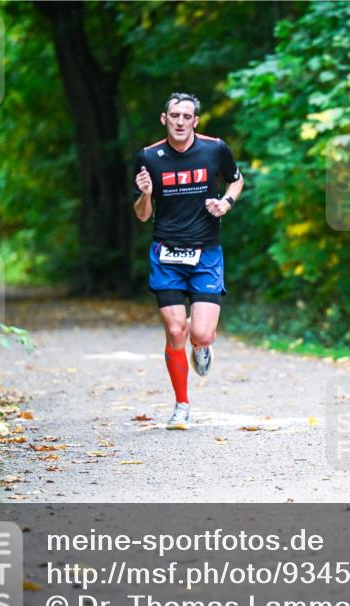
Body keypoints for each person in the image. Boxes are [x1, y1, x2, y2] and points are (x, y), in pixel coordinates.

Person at [133, 92, 244, 429]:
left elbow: (236, 180)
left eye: (187, 116)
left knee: (202, 333)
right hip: (166, 254)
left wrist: (225, 202)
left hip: (206, 252)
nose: (180, 122)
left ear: (195, 120)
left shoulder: (215, 149)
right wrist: (147, 194)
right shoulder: (149, 157)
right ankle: (181, 404)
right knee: (175, 329)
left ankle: (202, 347)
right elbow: (141, 215)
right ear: (164, 119)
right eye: (174, 116)